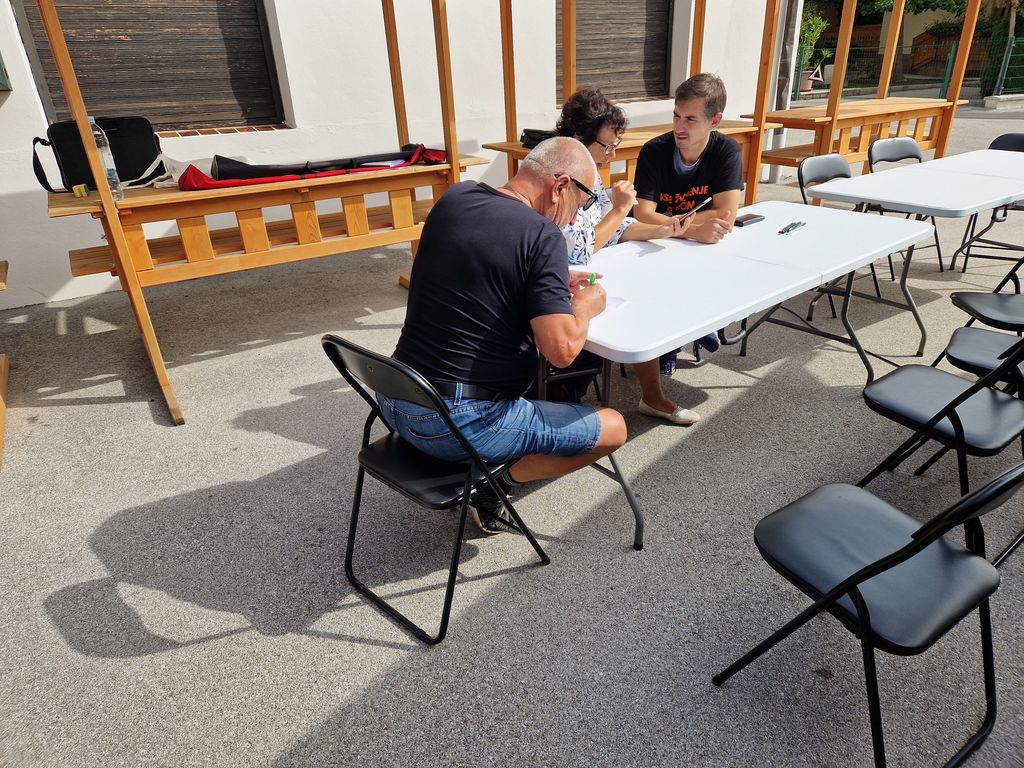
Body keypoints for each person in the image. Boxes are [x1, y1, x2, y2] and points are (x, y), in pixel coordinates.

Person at [378, 137, 628, 533]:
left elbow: (479, 264)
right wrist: (586, 304)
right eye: (580, 206)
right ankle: (493, 486)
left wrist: (547, 280)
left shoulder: (456, 198)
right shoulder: (542, 236)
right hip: (455, 423)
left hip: (395, 397)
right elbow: (562, 351)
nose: (572, 220)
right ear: (560, 186)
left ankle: (486, 467)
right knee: (613, 427)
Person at [552, 85, 712, 426]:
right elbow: (579, 248)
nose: (611, 154)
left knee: (649, 287)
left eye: (616, 145)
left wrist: (665, 229)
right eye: (607, 146)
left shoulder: (588, 171)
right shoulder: (558, 178)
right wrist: (621, 208)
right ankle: (566, 405)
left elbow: (613, 229)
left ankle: (651, 396)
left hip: (592, 273)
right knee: (637, 298)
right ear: (578, 137)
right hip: (564, 285)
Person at [632, 72, 744, 376]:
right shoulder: (654, 150)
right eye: (676, 116)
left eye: (690, 119)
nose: (679, 127)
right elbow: (643, 213)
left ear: (715, 120)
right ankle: (682, 337)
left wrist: (673, 223)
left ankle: (698, 324)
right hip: (657, 244)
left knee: (711, 269)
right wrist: (693, 231)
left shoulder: (726, 151)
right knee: (667, 278)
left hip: (684, 241)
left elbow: (726, 212)